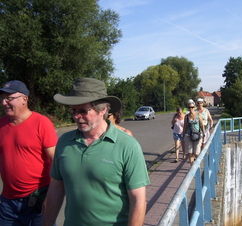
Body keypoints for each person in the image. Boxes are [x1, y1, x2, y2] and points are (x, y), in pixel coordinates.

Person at [42, 78, 150, 226]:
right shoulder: (64, 142)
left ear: (103, 110)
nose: (76, 116)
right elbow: (56, 187)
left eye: (83, 111)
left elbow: (138, 200)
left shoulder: (127, 145)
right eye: (74, 110)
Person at [0, 80, 58, 226]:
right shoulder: (1, 124)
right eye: (2, 98)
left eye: (9, 98)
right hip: (7, 202)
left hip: (36, 200)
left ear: (24, 99)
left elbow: (56, 162)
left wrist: (49, 198)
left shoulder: (41, 123)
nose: (4, 102)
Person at [182, 99, 206, 165]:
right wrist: (183, 136)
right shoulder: (186, 116)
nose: (190, 109)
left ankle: (197, 165)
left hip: (197, 135)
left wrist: (204, 134)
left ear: (194, 107)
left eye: (192, 107)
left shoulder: (198, 115)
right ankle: (192, 168)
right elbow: (185, 126)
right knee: (190, 153)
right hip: (188, 135)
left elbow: (201, 125)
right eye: (189, 107)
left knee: (196, 153)